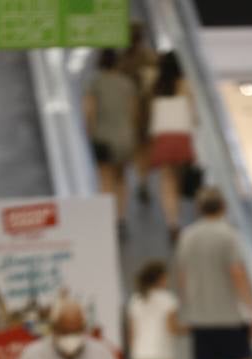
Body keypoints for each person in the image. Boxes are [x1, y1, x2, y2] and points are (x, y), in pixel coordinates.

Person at [176, 187, 252, 359]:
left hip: (201, 315)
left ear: (199, 208)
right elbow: (237, 272)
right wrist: (250, 308)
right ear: (223, 206)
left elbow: (182, 276)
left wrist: (187, 307)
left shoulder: (187, 236)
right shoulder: (229, 235)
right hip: (231, 315)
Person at [84, 49, 137, 238]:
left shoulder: (95, 84)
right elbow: (133, 112)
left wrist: (90, 132)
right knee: (121, 178)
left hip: (103, 137)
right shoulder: (127, 84)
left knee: (105, 179)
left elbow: (89, 111)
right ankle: (121, 218)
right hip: (124, 137)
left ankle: (106, 218)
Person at [149, 51, 195, 244]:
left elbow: (151, 111)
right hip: (182, 134)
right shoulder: (185, 85)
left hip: (162, 135)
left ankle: (172, 222)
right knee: (179, 177)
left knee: (166, 180)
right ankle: (182, 216)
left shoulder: (156, 86)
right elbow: (193, 112)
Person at [118, 21, 158, 206]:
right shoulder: (150, 58)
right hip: (147, 110)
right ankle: (143, 180)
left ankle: (134, 180)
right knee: (144, 148)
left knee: (134, 148)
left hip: (127, 111)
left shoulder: (121, 61)